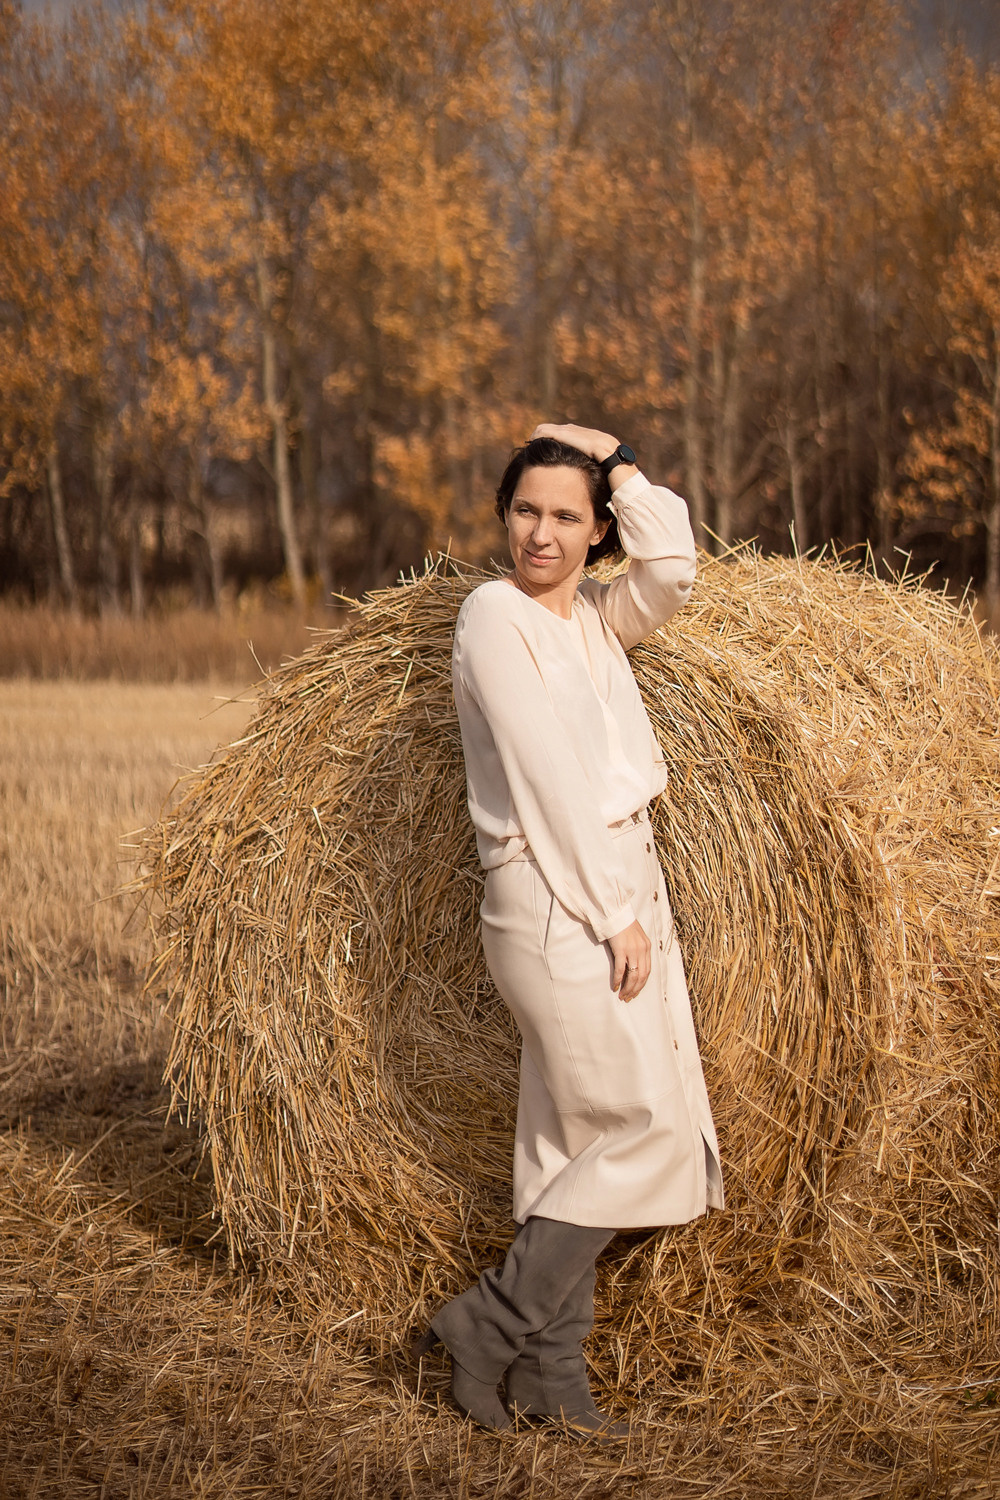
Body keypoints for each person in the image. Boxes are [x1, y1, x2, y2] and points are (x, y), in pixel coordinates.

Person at [414, 422, 724, 1439]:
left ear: (596, 535)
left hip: (601, 896)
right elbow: (546, 780)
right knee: (644, 1127)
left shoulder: (593, 618)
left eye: (562, 517)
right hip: (559, 904)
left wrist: (621, 461)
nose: (537, 534)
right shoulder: (493, 617)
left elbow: (673, 562)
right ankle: (487, 1324)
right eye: (523, 512)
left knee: (572, 1139)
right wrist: (613, 914)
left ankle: (550, 1378)